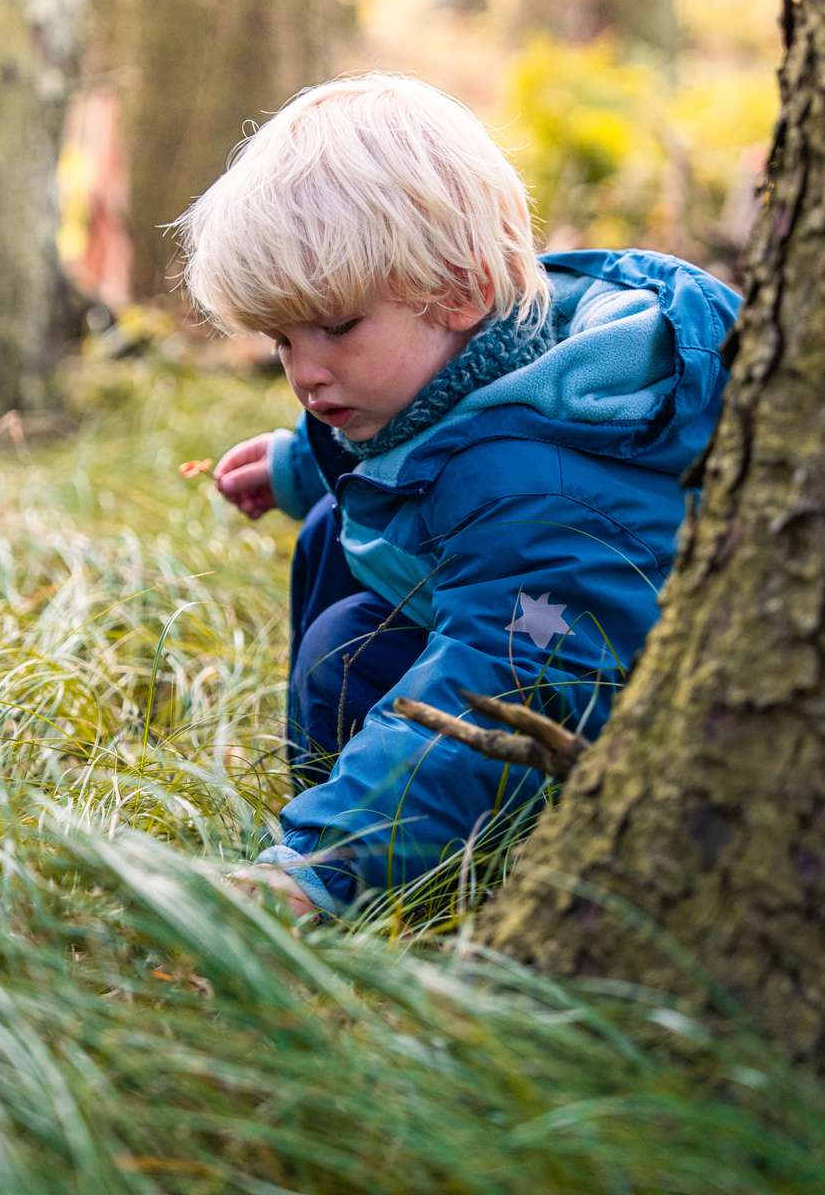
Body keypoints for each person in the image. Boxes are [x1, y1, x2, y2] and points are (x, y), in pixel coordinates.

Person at [173, 73, 741, 917]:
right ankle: (341, 813)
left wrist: (326, 865)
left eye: (335, 327)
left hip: (582, 720)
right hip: (517, 614)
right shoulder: (505, 346)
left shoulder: (542, 490)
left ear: (463, 289)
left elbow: (506, 681)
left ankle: (376, 865)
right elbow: (432, 436)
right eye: (281, 339)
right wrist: (302, 463)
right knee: (335, 523)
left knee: (351, 655)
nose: (304, 374)